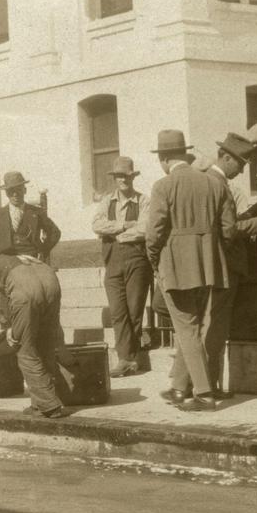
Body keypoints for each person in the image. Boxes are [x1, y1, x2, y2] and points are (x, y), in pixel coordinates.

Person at [145, 129, 236, 412]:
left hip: (176, 266)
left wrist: (154, 260)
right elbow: (229, 230)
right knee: (192, 326)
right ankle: (178, 388)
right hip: (209, 266)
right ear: (184, 153)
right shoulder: (214, 183)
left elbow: (154, 233)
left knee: (187, 329)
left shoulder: (163, 185)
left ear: (162, 158)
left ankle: (205, 393)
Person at [203, 132, 257, 397]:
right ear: (226, 157)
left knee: (208, 325)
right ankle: (210, 385)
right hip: (225, 265)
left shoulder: (205, 180)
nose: (242, 170)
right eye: (240, 163)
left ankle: (200, 383)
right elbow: (229, 231)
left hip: (209, 263)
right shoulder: (220, 185)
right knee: (217, 326)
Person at [91, 156, 152, 378]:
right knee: (118, 311)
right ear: (115, 179)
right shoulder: (107, 201)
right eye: (119, 177)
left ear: (132, 177)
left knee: (134, 310)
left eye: (126, 176)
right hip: (113, 260)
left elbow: (146, 228)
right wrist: (126, 225)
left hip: (137, 258)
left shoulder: (144, 200)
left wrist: (117, 234)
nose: (123, 180)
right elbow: (96, 225)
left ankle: (126, 358)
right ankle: (127, 357)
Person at [0, 171, 61, 326]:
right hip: (4, 257)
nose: (15, 194)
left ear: (25, 190)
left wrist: (43, 249)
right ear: (6, 194)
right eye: (10, 191)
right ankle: (1, 318)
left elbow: (55, 232)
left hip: (29, 256)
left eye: (18, 190)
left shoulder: (35, 212)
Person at [0, 254, 66, 419]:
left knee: (25, 350)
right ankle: (38, 404)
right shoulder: (24, 256)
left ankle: (49, 405)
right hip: (50, 279)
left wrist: (7, 325)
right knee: (46, 344)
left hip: (25, 291)